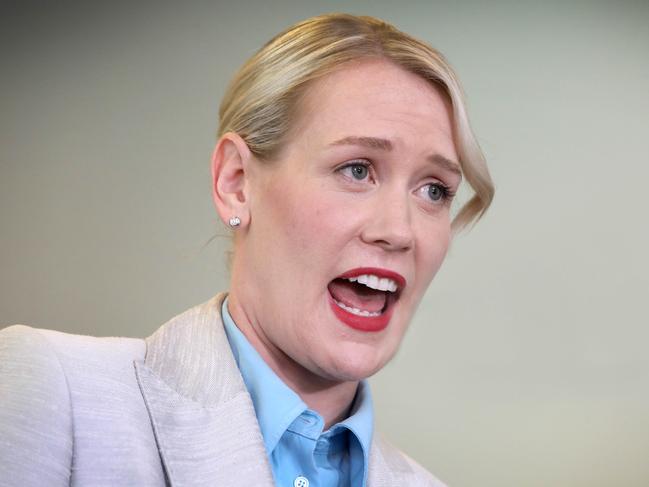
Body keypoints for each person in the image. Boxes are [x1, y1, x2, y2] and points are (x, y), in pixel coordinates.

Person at [0, 13, 493, 487]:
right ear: (236, 182)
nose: (399, 231)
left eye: (434, 190)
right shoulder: (59, 396)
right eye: (358, 169)